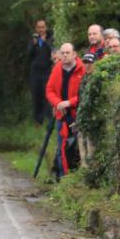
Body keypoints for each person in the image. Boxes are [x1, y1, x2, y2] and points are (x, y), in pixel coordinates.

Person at [45, 43, 85, 178]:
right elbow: (49, 90)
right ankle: (63, 177)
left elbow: (84, 93)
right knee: (61, 147)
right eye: (62, 53)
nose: (65, 55)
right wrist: (58, 104)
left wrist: (69, 102)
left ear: (74, 54)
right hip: (61, 115)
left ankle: (78, 177)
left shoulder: (82, 69)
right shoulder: (57, 69)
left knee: (78, 147)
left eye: (68, 53)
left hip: (77, 114)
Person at [28, 19, 54, 124]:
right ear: (36, 28)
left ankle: (48, 118)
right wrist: (34, 44)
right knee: (36, 94)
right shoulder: (33, 40)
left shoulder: (51, 39)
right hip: (35, 72)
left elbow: (52, 51)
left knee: (47, 94)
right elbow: (28, 55)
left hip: (47, 71)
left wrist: (44, 42)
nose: (41, 29)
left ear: (46, 28)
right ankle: (38, 120)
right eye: (39, 27)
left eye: (43, 27)